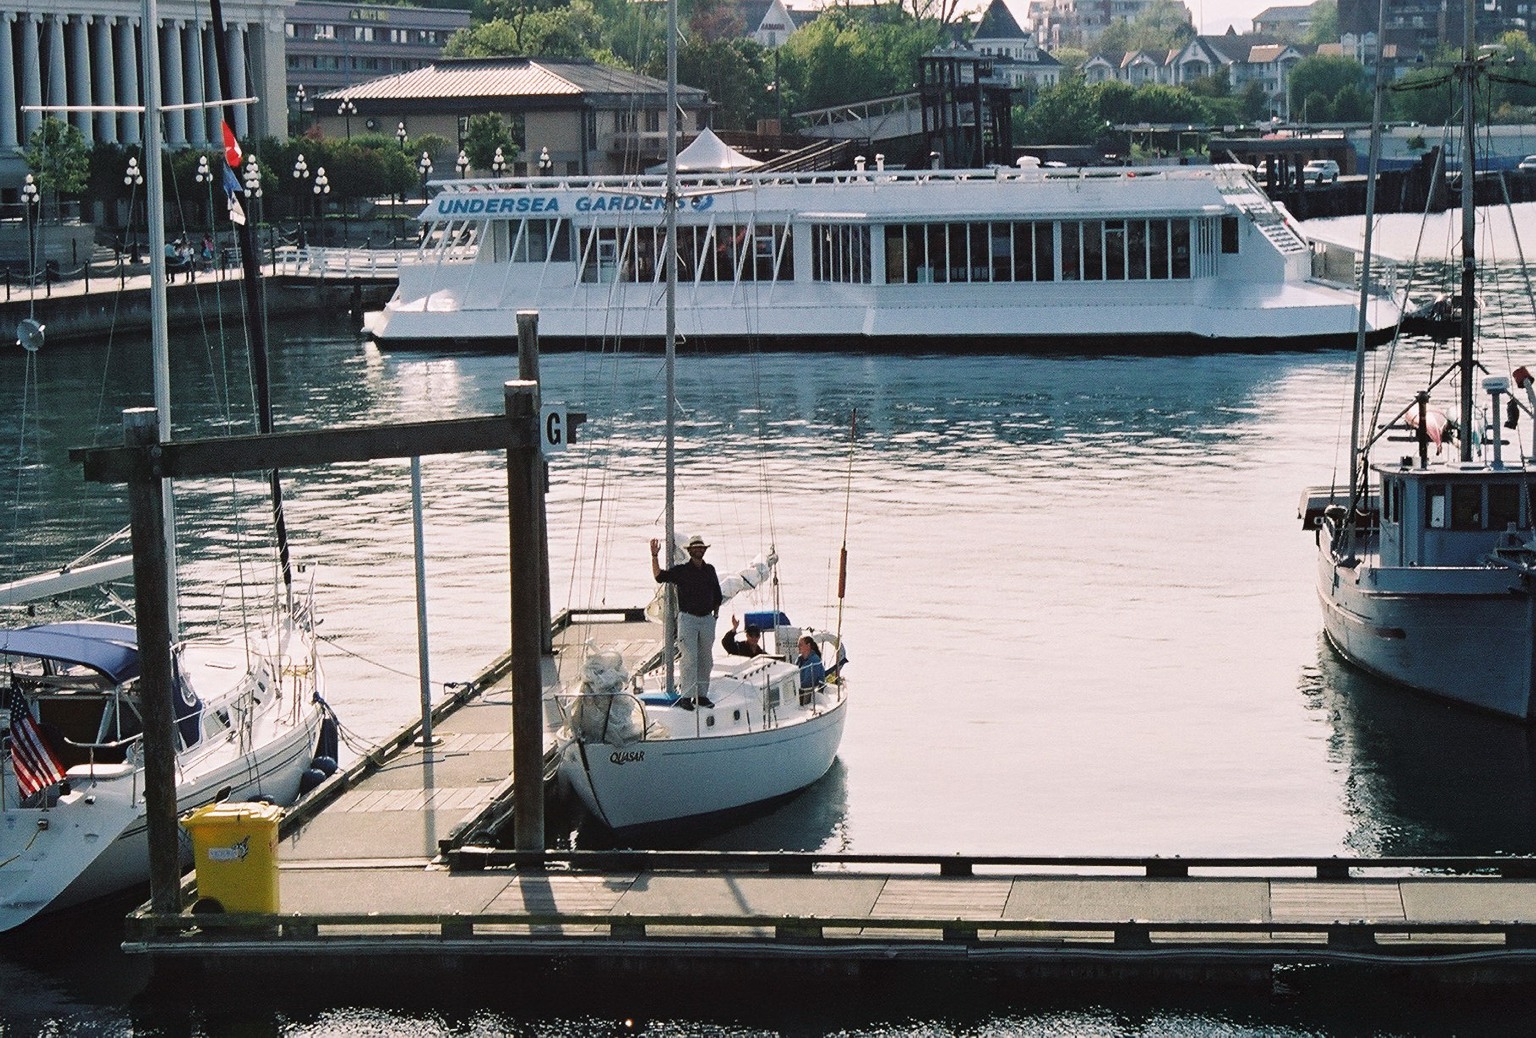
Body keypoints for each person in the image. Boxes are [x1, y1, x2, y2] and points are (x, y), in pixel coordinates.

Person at [651, 533, 724, 709]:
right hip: (688, 619)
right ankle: (687, 696)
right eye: (696, 548)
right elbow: (659, 576)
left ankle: (702, 696)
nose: (699, 550)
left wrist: (715, 616)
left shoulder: (710, 570)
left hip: (707, 619)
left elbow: (717, 595)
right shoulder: (682, 571)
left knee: (706, 659)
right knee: (689, 658)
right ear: (690, 551)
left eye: (701, 548)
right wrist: (654, 556)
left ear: (704, 550)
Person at [797, 634, 826, 703]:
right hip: (799, 690)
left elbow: (808, 683)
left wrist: (794, 687)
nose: (798, 647)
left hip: (810, 693)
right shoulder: (799, 659)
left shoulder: (815, 660)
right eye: (798, 645)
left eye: (800, 645)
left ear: (808, 646)